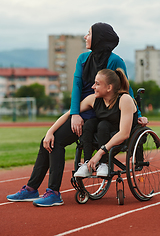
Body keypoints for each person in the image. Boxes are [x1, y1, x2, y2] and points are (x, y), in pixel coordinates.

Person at [6, 22, 147, 207]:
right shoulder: (82, 59)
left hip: (103, 112)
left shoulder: (115, 61)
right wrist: (74, 114)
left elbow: (124, 89)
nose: (85, 37)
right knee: (48, 140)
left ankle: (53, 192)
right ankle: (32, 189)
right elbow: (77, 87)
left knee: (58, 140)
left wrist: (138, 115)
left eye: (88, 34)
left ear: (99, 39)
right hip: (84, 109)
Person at [74, 68, 138, 177]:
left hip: (119, 134)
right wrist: (50, 132)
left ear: (109, 87)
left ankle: (104, 163)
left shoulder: (125, 99)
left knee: (102, 125)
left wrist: (99, 153)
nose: (92, 87)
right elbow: (71, 112)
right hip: (103, 130)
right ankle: (86, 163)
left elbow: (124, 134)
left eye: (97, 84)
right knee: (90, 124)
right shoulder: (93, 99)